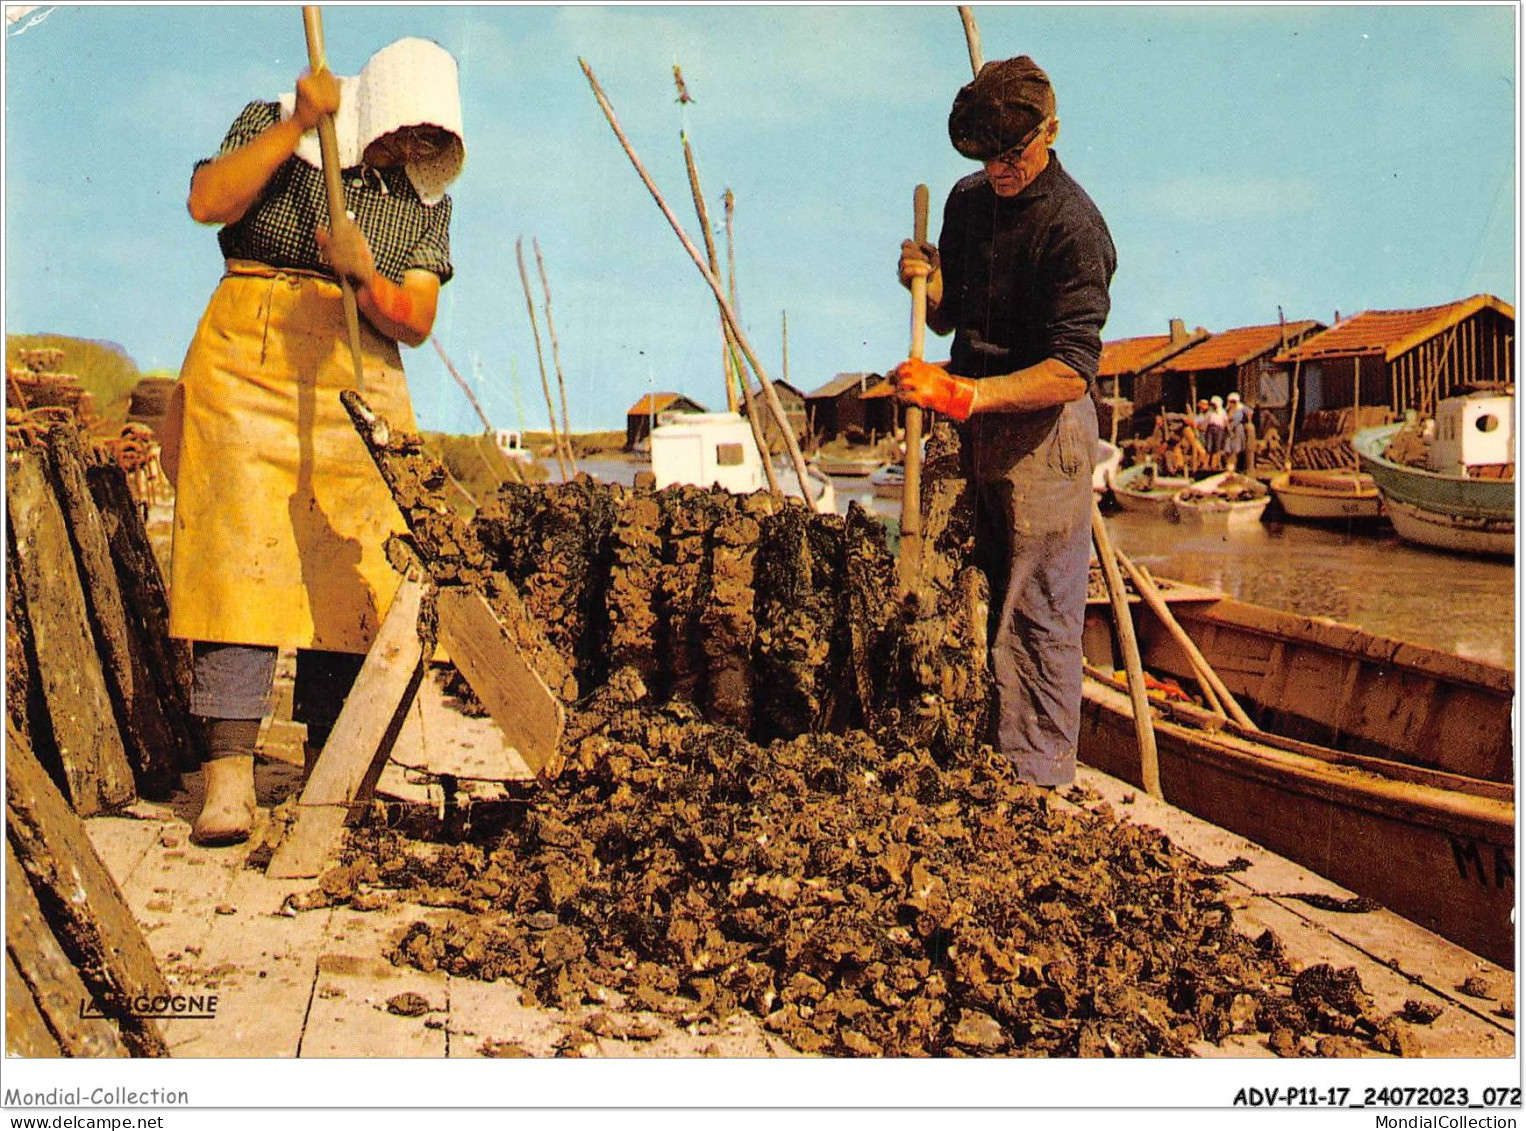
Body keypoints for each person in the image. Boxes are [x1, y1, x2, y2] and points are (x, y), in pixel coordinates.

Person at [166, 38, 464, 845]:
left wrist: (367, 278)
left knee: (356, 565)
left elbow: (420, 319)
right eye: (406, 131)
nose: (412, 149)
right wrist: (298, 121)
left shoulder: (423, 198)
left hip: (355, 367)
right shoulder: (273, 121)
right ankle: (229, 776)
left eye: (431, 138)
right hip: (249, 348)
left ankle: (335, 769)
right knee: (235, 555)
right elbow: (206, 201)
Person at [892, 56, 1116, 789]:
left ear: (1051, 132)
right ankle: (987, 753)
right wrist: (926, 282)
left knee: (1038, 611)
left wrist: (961, 397)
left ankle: (1040, 780)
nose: (1000, 171)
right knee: (978, 590)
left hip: (1044, 431)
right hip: (976, 419)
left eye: (1013, 155)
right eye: (987, 157)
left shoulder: (1075, 228)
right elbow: (952, 312)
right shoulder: (968, 201)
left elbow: (1069, 370)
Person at [1224, 391, 1252, 472]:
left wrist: (1248, 421)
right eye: (1231, 401)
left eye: (1234, 401)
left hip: (1238, 429)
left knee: (1237, 448)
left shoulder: (1241, 408)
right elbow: (1225, 419)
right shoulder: (1227, 409)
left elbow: (1250, 412)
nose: (1232, 403)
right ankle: (1229, 467)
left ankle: (1235, 467)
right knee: (1228, 449)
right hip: (1229, 430)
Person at [1205, 394, 1228, 467]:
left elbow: (1225, 422)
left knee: (1217, 447)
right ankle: (1205, 464)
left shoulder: (1222, 412)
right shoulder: (1210, 412)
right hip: (1211, 428)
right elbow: (1206, 421)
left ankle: (1214, 464)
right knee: (1209, 446)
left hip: (1219, 429)